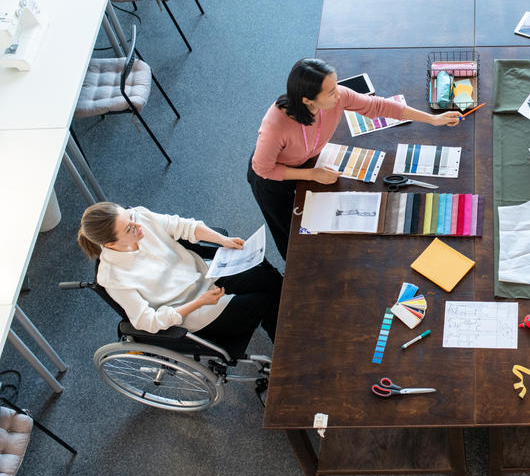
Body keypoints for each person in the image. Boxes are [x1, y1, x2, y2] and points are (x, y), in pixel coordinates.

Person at [249, 58, 461, 259]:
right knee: (288, 231)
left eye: (336, 86)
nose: (338, 95)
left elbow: (378, 106)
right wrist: (311, 174)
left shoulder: (338, 96)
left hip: (307, 161)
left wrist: (432, 119)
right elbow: (262, 168)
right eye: (331, 92)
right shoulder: (275, 125)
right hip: (272, 177)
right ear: (307, 100)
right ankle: (291, 274)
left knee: (317, 225)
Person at [77, 203, 283, 358]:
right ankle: (286, 345)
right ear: (111, 243)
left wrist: (222, 240)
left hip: (206, 274)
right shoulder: (113, 277)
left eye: (129, 216)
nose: (138, 225)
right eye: (129, 228)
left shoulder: (139, 217)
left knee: (271, 279)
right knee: (265, 301)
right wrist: (200, 302)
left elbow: (185, 227)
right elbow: (147, 321)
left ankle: (284, 330)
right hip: (196, 310)